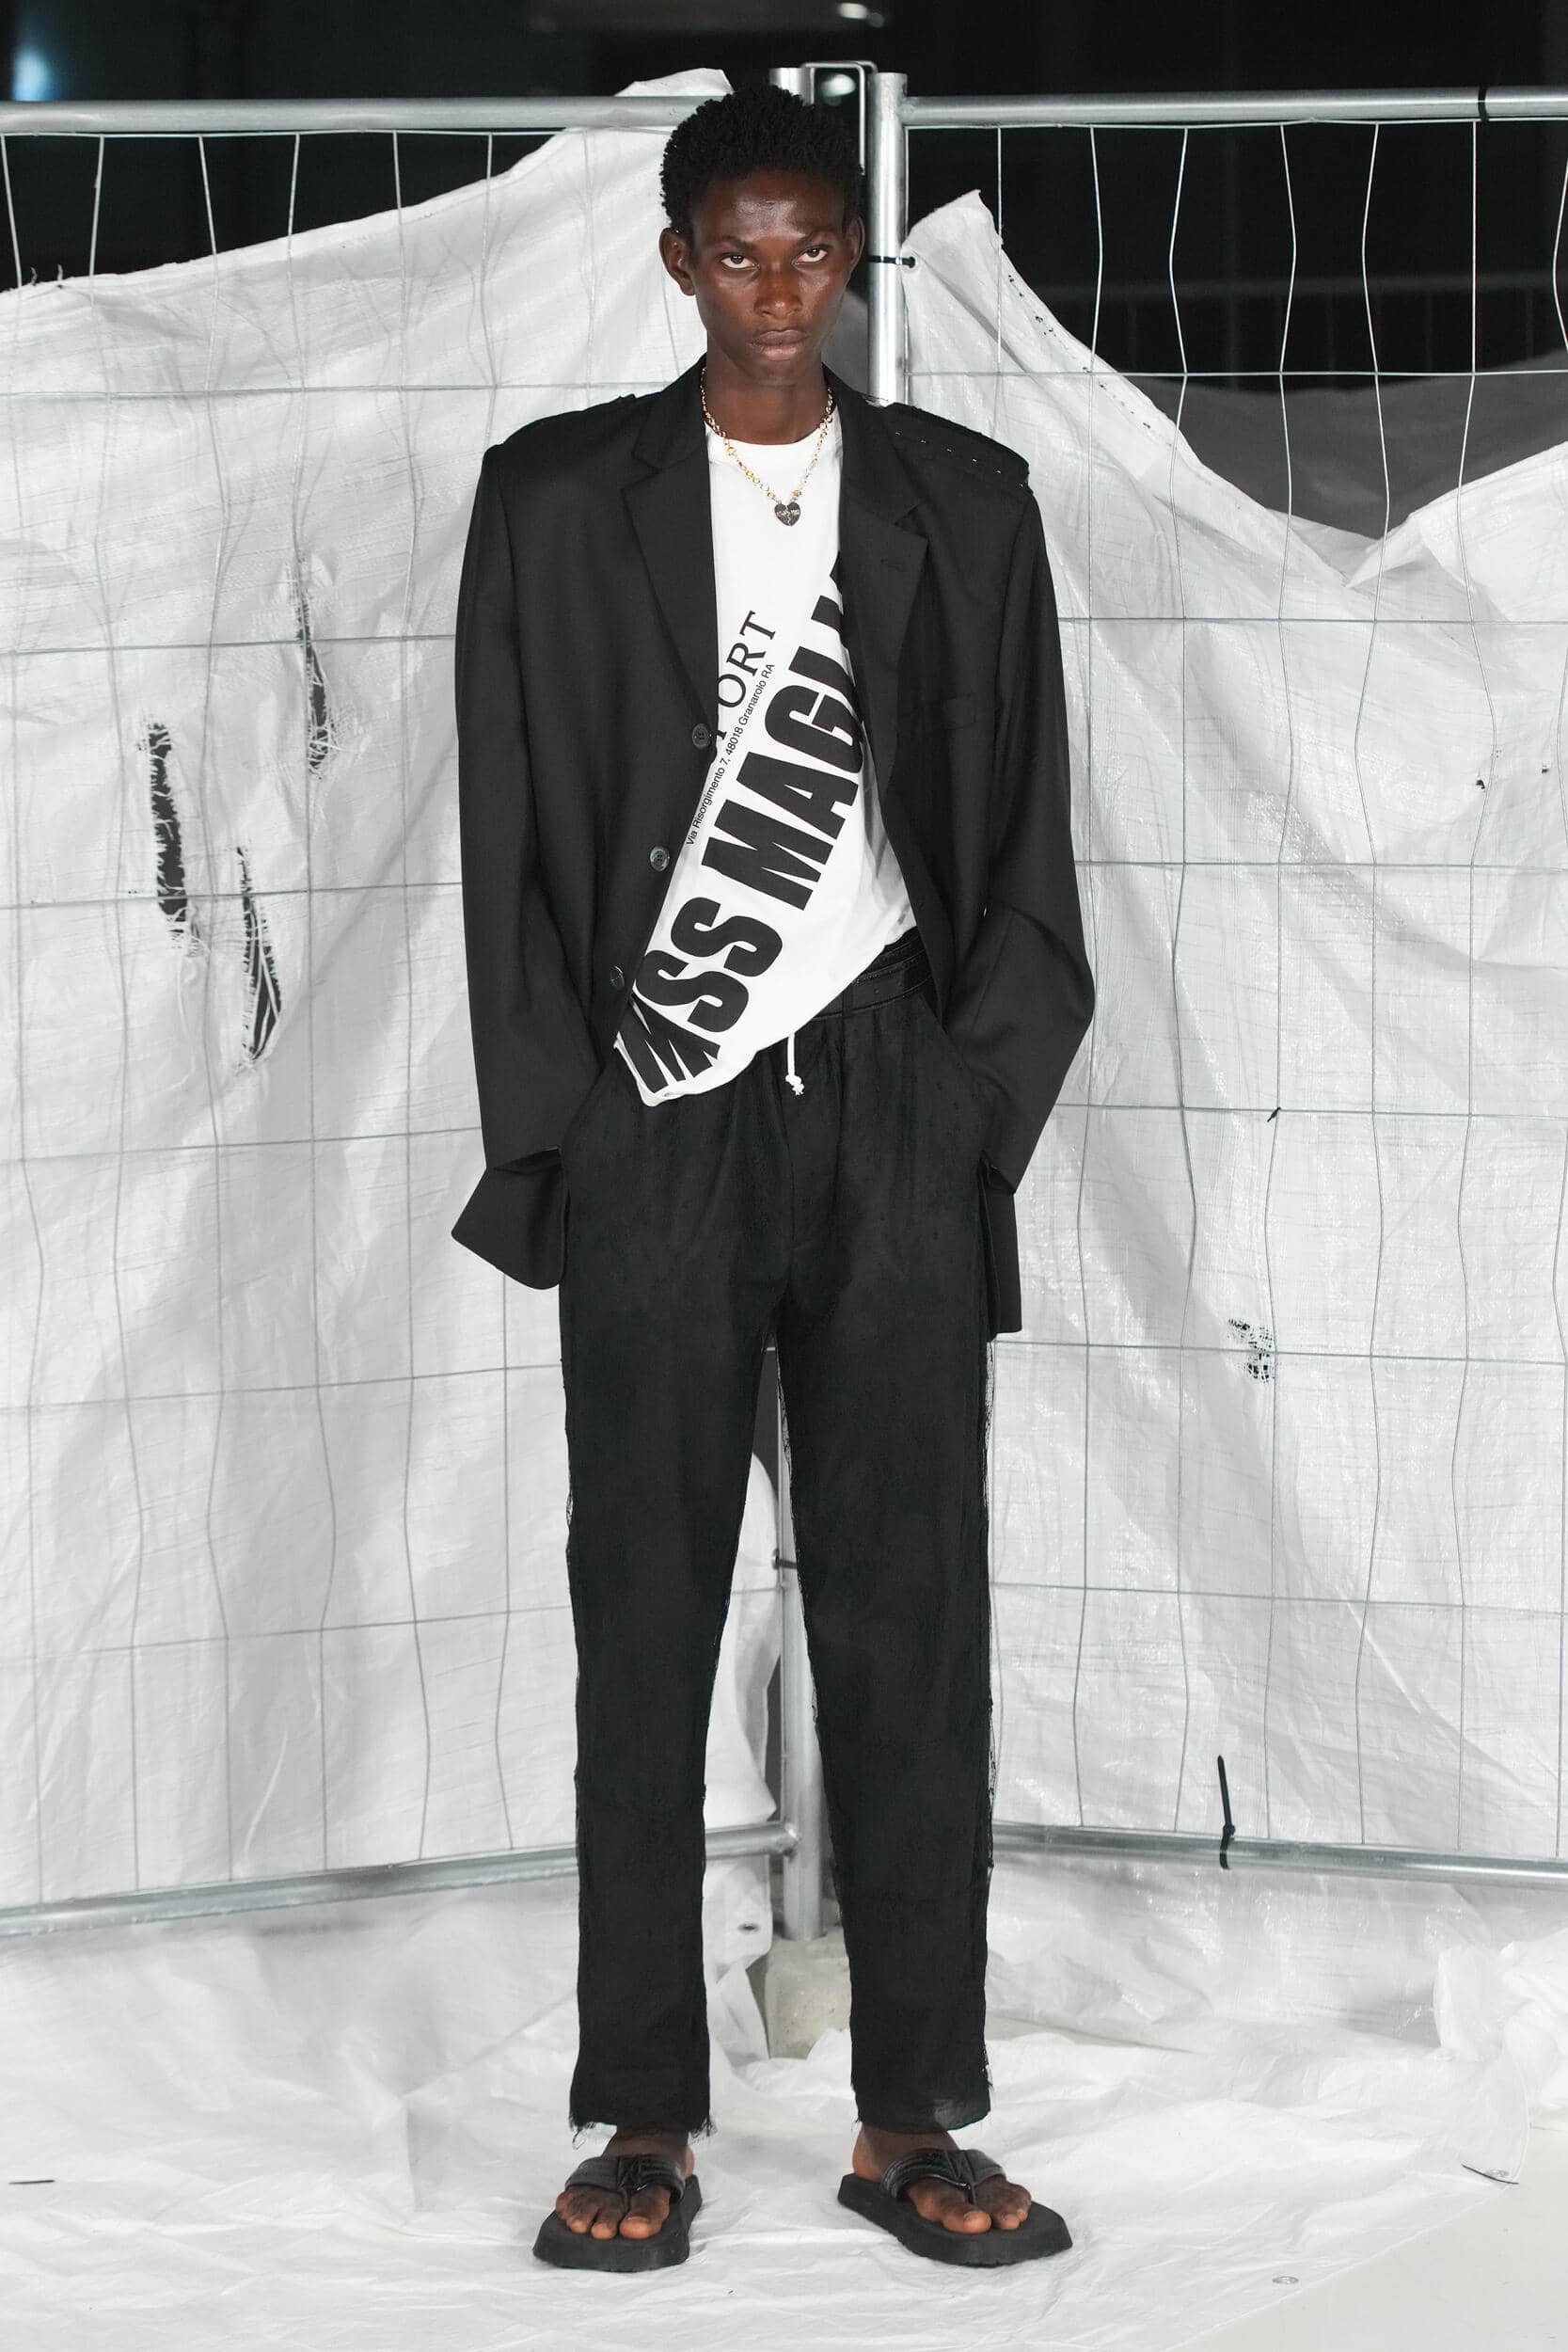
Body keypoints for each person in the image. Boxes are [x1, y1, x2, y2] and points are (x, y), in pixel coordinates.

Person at [451, 84, 1094, 2271]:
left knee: (912, 1620)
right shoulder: (555, 503)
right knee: (641, 1617)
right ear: (676, 261)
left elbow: (1029, 843)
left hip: (891, 1101)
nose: (781, 289)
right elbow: (507, 848)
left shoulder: (965, 503)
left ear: (848, 259)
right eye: (739, 251)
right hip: (662, 1108)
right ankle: (640, 2113)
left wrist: (968, 1108)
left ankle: (914, 2113)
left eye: (813, 248)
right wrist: (573, 1125)